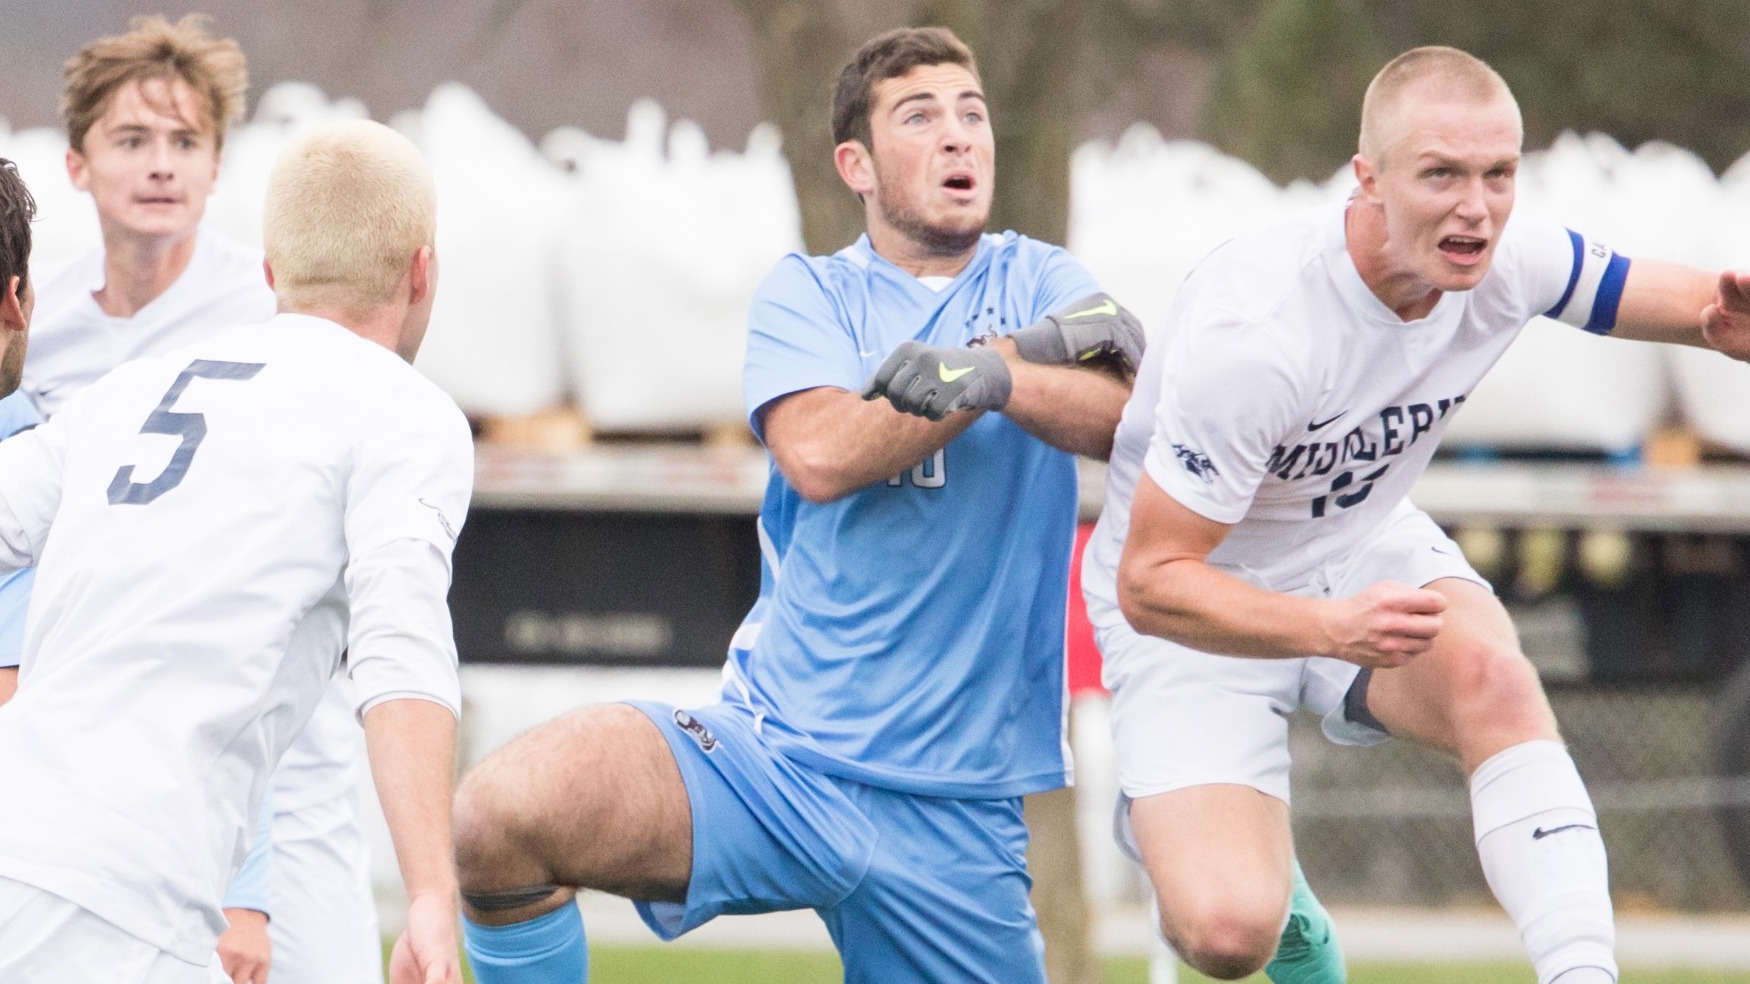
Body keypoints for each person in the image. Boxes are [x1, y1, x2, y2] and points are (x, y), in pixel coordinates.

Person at [450, 25, 1338, 984]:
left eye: (972, 114)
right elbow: (824, 453)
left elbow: (1127, 412)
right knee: (499, 817)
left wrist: (981, 373)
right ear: (856, 165)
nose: (960, 137)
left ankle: (1290, 913)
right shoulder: (810, 295)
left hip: (958, 814)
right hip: (776, 761)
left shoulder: (1037, 275)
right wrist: (1006, 370)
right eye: (920, 117)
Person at [1082, 44, 1750, 984]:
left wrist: (1720, 326)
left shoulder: (1510, 257)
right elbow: (1150, 583)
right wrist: (1324, 628)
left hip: (1356, 548)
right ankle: (1234, 865)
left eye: (1498, 174)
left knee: (1498, 683)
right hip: (1198, 603)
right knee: (1228, 937)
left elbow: (1683, 299)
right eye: (1440, 174)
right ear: (1369, 179)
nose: (1475, 207)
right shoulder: (1259, 335)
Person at [0, 117, 469, 984]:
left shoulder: (133, 389)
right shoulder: (404, 412)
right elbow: (401, 648)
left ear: (269, 272)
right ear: (420, 270)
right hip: (114, 902)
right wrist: (433, 896)